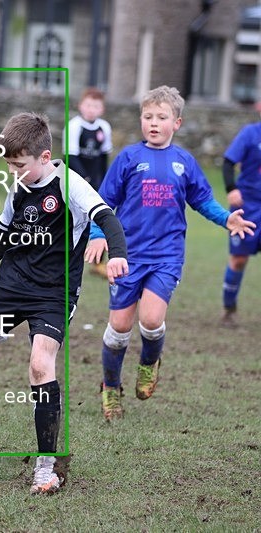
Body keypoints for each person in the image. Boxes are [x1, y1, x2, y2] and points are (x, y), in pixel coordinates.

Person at [0, 112, 129, 495]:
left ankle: (46, 467)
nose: (15, 172)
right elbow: (0, 239)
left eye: (20, 165)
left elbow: (108, 218)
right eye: (10, 165)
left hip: (54, 293)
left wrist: (115, 253)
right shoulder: (17, 189)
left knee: (39, 364)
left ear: (44, 157)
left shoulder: (70, 184)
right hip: (12, 288)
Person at [85, 86, 255, 422]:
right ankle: (110, 387)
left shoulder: (184, 162)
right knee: (119, 327)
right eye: (148, 117)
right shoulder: (129, 158)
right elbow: (103, 203)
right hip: (127, 254)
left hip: (167, 255)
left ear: (176, 123)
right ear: (141, 120)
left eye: (161, 117)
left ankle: (149, 363)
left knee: (150, 320)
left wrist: (226, 218)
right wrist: (97, 235)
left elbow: (203, 200)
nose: (153, 123)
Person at [64, 87, 112, 279]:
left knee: (98, 218)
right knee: (72, 219)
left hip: (96, 182)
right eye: (88, 105)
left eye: (96, 106)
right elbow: (71, 157)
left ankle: (98, 261)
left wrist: (104, 182)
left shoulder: (104, 128)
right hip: (76, 180)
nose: (92, 109)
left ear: (102, 109)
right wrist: (85, 180)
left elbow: (103, 158)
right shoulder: (74, 126)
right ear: (81, 106)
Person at [220, 101, 261, 325]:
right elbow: (228, 162)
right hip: (248, 207)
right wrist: (231, 188)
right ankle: (229, 308)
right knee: (238, 259)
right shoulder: (250, 133)